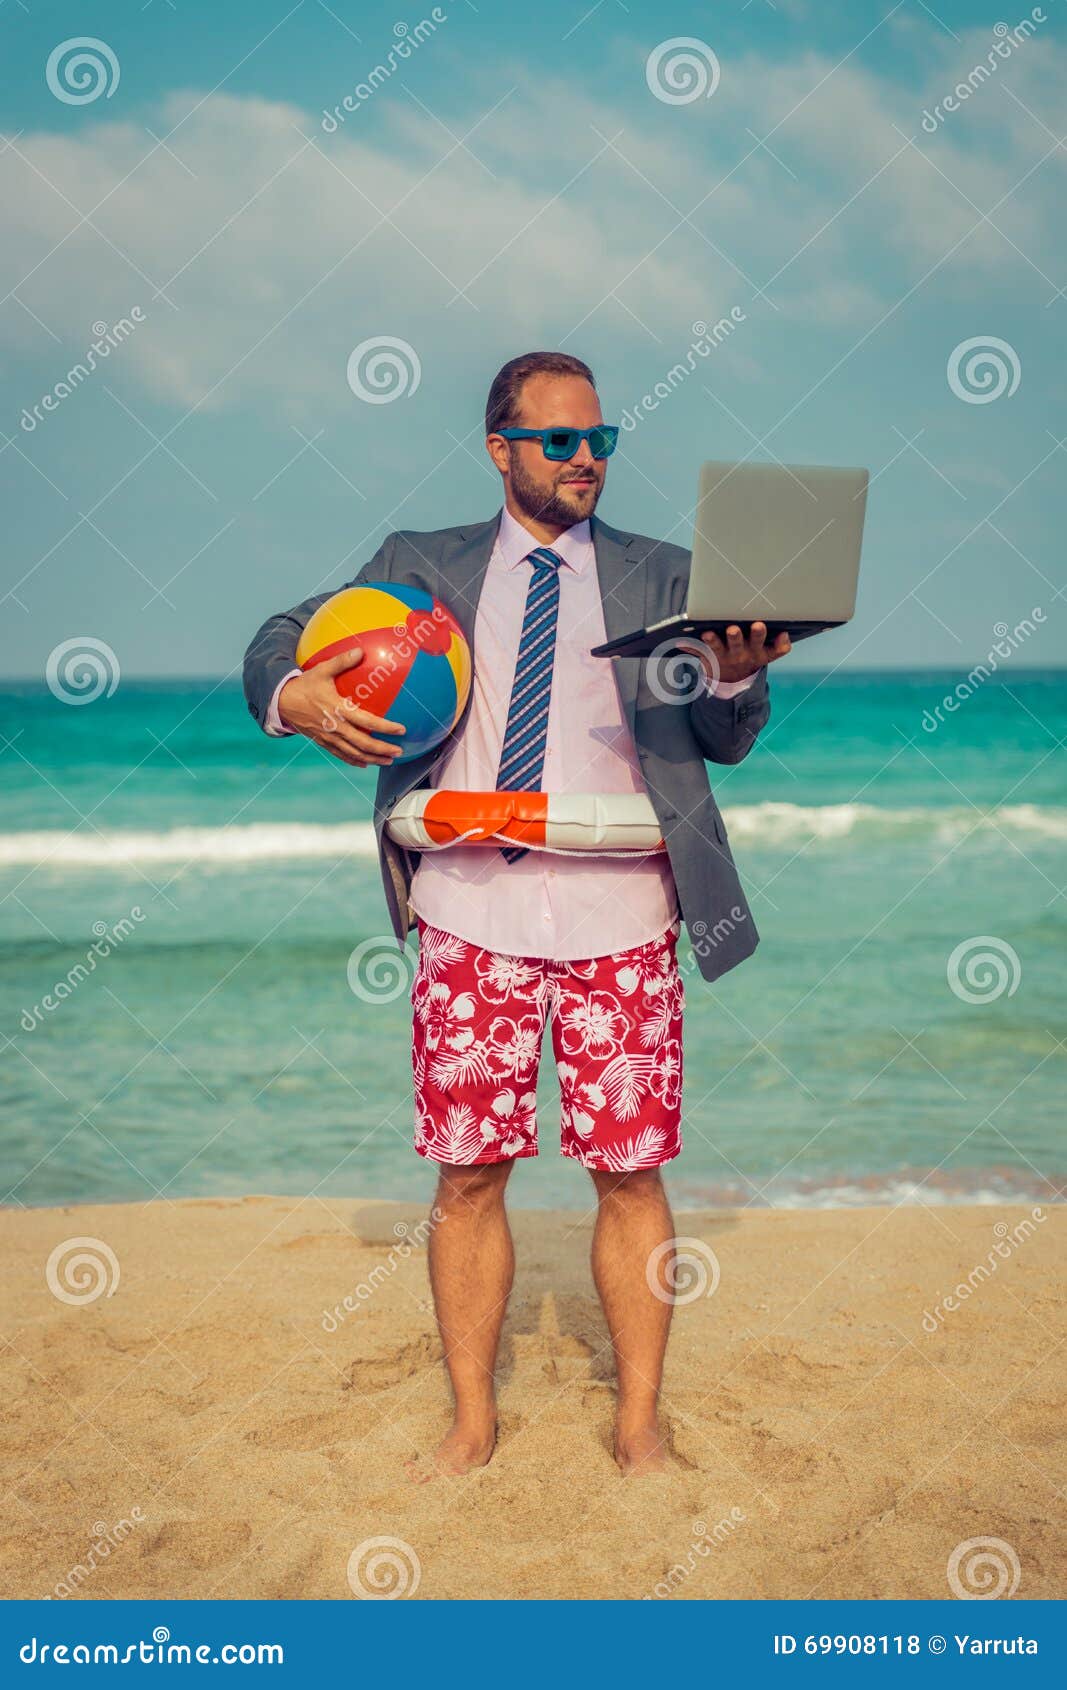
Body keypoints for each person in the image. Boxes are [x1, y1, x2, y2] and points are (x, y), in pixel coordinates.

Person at [243, 351, 790, 1477]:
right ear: (501, 449)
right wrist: (291, 694)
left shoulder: (669, 575)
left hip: (624, 916)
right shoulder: (419, 564)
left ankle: (637, 1422)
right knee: (467, 1174)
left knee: (630, 1173)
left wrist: (734, 677)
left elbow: (725, 739)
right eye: (558, 440)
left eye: (599, 439)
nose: (584, 457)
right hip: (467, 910)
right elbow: (280, 635)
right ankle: (471, 1420)